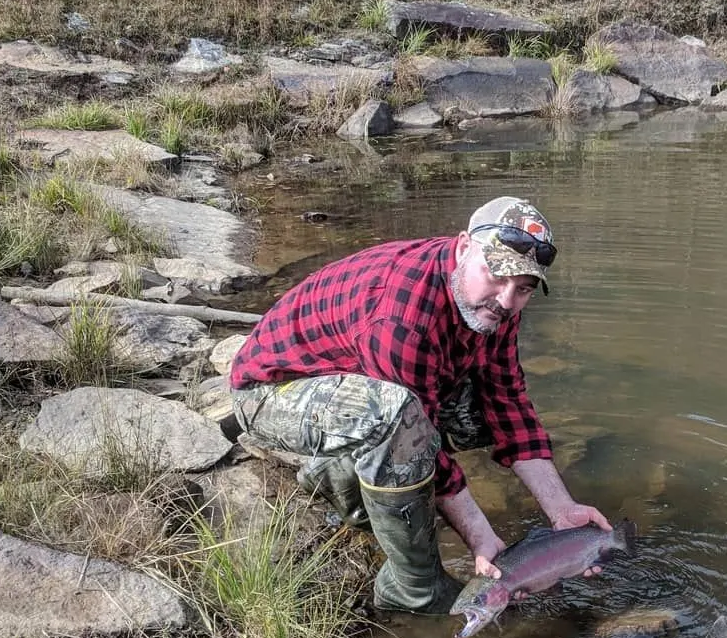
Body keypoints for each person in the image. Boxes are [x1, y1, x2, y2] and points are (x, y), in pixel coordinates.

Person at [229, 196, 612, 615]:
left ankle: (337, 474)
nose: (505, 300)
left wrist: (562, 509)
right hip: (272, 392)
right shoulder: (402, 313)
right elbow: (420, 436)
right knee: (396, 418)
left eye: (522, 288)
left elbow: (508, 401)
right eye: (497, 275)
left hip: (354, 382)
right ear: (464, 247)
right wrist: (481, 537)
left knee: (475, 412)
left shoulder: (495, 304)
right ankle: (413, 587)